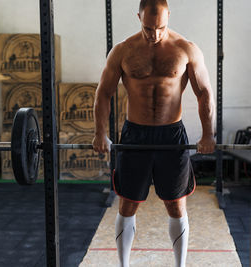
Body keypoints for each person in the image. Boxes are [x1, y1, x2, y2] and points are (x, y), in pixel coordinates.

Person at [92, 0, 215, 266]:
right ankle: (124, 264)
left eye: (160, 27)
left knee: (176, 203)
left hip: (172, 136)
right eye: (148, 28)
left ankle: (180, 265)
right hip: (135, 135)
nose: (155, 34)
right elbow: (104, 93)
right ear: (138, 17)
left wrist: (208, 135)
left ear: (169, 16)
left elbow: (204, 92)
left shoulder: (186, 49)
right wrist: (100, 133)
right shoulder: (123, 51)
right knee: (128, 203)